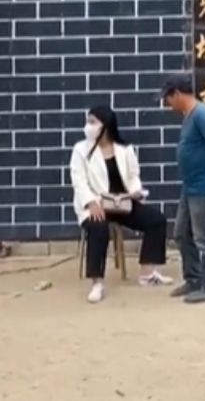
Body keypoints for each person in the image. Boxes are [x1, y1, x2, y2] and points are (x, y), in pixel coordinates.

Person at [70, 105, 173, 303]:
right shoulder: (81, 150)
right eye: (88, 122)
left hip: (121, 203)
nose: (88, 126)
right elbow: (78, 181)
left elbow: (133, 176)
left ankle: (147, 273)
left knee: (156, 220)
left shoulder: (124, 149)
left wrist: (135, 192)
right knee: (99, 228)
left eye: (93, 122)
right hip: (97, 204)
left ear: (106, 125)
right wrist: (91, 203)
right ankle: (97, 283)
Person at [161, 76, 205, 304]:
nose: (167, 104)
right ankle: (194, 278)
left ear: (177, 94)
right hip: (191, 186)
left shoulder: (201, 115)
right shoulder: (189, 116)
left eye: (168, 98)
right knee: (182, 233)